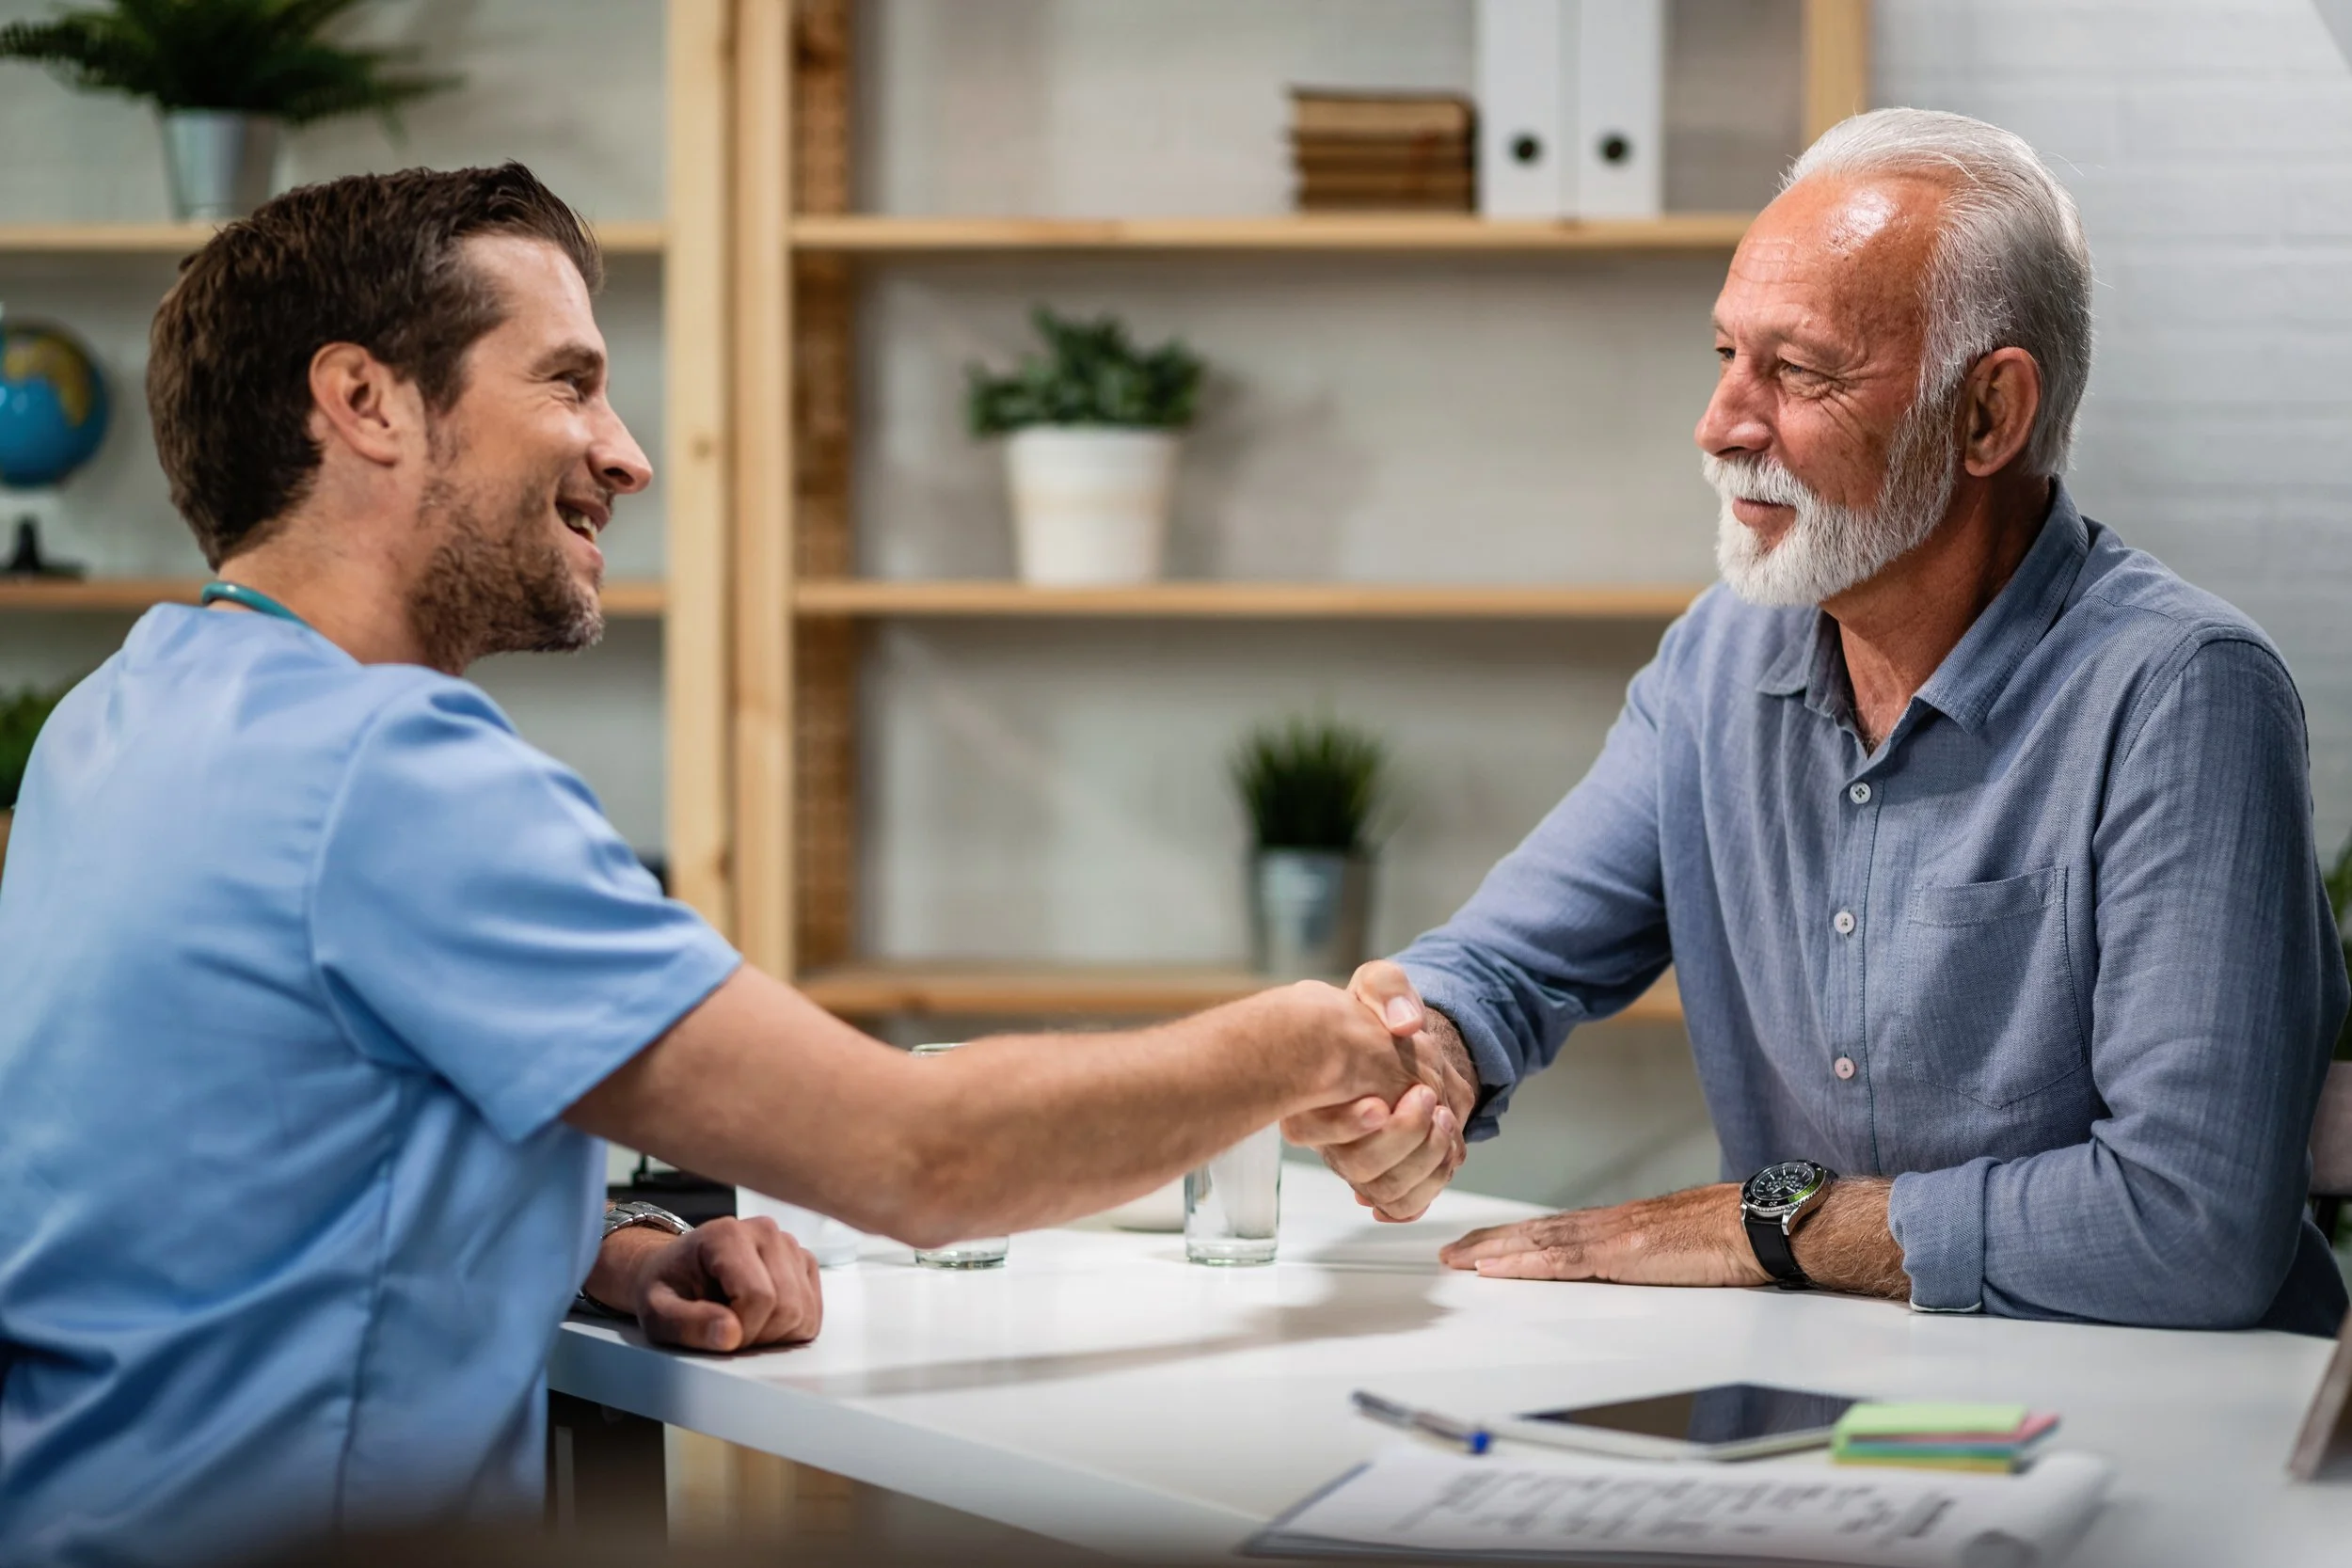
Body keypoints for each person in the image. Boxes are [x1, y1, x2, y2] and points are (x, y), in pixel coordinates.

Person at [0, 165, 1450, 1568]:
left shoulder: (122, 715)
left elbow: (232, 1176)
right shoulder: (391, 769)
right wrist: (1290, 1040)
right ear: (365, 401)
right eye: (567, 382)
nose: (626, 451)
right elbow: (918, 1157)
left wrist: (600, 1248)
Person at [1295, 107, 2351, 1337]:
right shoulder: (1716, 662)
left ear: (1987, 416)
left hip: (2163, 1419)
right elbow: (1504, 964)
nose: (1722, 423)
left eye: (1798, 372)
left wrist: (1761, 1223)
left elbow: (2189, 1223)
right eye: (1727, 355)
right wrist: (1426, 1061)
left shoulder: (2182, 692)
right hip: (1842, 1405)